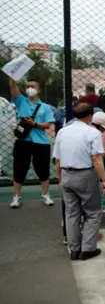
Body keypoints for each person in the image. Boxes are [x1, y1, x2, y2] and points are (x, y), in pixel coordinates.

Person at [53, 102, 105, 261]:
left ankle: (74, 249)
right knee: (92, 212)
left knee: (71, 213)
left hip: (66, 174)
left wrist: (60, 178)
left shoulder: (62, 132)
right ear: (90, 116)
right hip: (85, 174)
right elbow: (97, 159)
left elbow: (57, 160)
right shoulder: (92, 133)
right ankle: (88, 248)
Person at [8, 78, 55, 208]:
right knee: (19, 168)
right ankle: (16, 196)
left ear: (39, 89)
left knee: (43, 169)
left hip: (41, 142)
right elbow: (13, 87)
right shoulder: (21, 101)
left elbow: (48, 124)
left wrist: (34, 124)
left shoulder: (45, 107)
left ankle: (45, 194)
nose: (29, 89)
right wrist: (13, 77)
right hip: (23, 141)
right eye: (27, 86)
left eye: (32, 86)